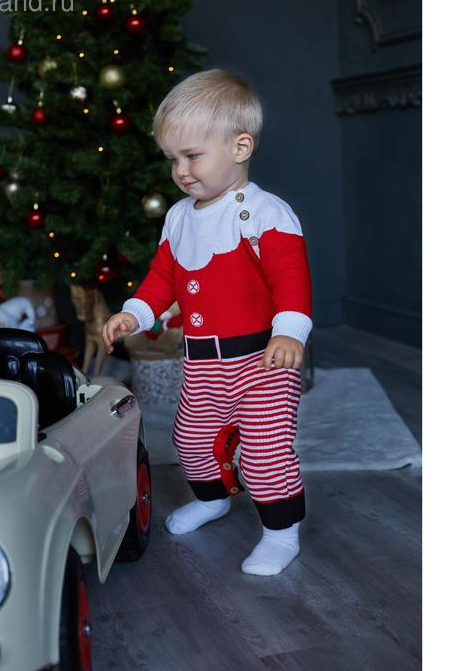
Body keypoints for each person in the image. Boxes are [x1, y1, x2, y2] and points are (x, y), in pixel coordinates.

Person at [102, 69, 313, 576]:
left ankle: (281, 533)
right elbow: (163, 278)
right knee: (192, 439)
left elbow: (290, 279)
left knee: (265, 452)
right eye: (172, 159)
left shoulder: (267, 213)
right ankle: (212, 499)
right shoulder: (179, 217)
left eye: (192, 155)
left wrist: (290, 331)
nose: (181, 170)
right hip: (202, 362)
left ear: (240, 147)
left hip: (262, 359)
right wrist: (135, 312)